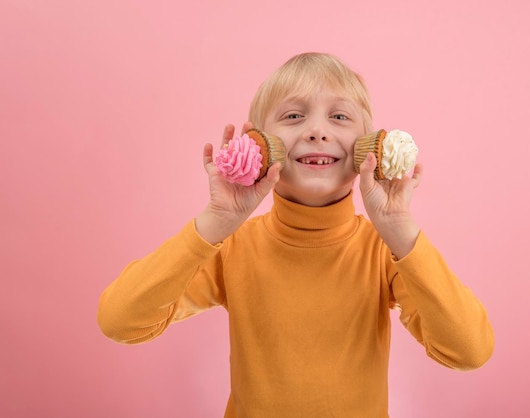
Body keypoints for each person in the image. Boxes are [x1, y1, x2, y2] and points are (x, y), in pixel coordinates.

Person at [98, 52, 494, 417]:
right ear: (262, 145)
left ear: (367, 148)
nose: (317, 131)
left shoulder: (384, 252)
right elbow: (121, 321)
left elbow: (469, 351)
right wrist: (215, 222)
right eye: (293, 117)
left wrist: (401, 230)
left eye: (339, 117)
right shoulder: (232, 247)